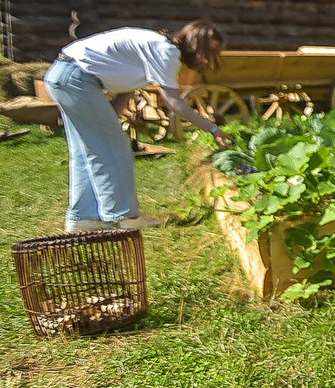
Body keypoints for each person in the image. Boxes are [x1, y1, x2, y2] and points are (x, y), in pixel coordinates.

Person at [45, 20, 236, 231]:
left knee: (86, 151)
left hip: (62, 74)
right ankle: (124, 216)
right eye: (210, 53)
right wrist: (213, 129)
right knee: (114, 149)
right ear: (197, 45)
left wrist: (110, 123)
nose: (209, 61)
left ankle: (83, 219)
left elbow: (126, 89)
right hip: (77, 78)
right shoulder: (167, 52)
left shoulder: (155, 46)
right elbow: (174, 102)